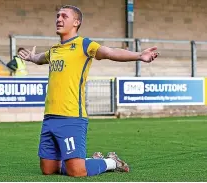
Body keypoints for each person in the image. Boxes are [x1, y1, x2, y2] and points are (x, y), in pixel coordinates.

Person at [19, 5, 159, 177]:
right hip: (49, 118)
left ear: (76, 22)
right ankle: (84, 160)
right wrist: (32, 58)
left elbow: (109, 52)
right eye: (57, 16)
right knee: (48, 170)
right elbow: (42, 58)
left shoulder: (84, 45)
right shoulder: (55, 50)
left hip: (71, 117)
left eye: (64, 16)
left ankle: (111, 162)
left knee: (77, 172)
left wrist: (139, 55)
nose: (58, 19)